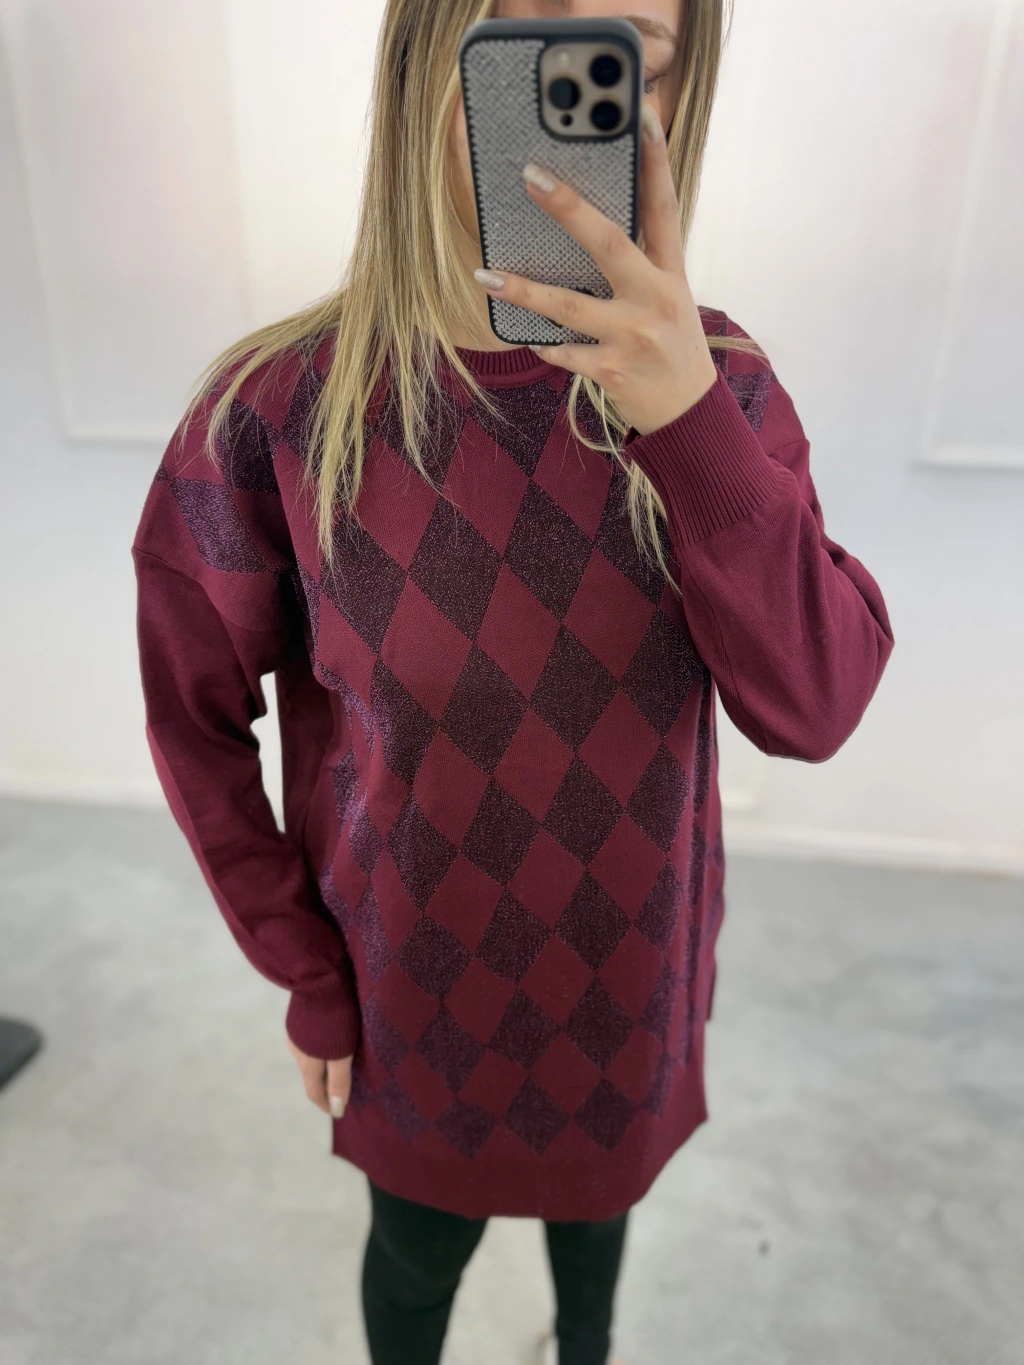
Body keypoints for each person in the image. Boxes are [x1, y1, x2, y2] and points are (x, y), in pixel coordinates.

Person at [131, 1, 895, 1362]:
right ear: (431, 53)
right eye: (524, 32)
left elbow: (819, 702)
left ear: (673, 95)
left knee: (601, 1229)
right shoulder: (275, 417)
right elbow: (192, 722)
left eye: (623, 52)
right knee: (417, 1254)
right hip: (415, 1001)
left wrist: (689, 428)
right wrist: (301, 967)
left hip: (633, 984)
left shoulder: (723, 393)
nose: (561, 87)